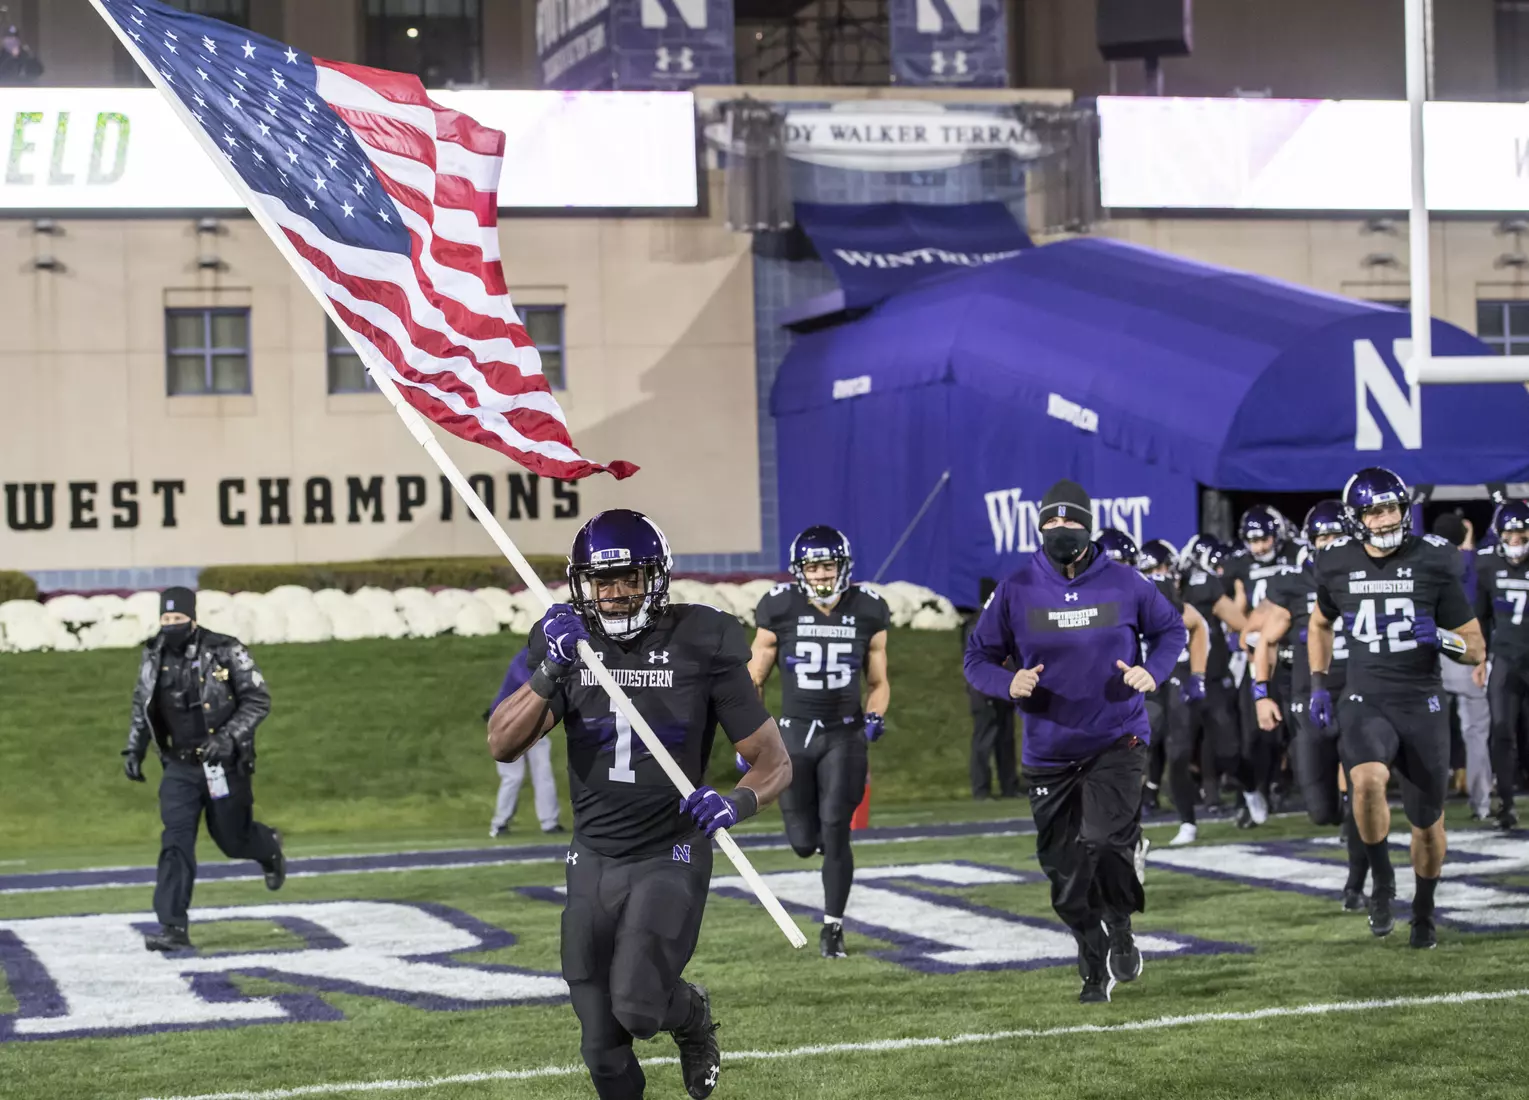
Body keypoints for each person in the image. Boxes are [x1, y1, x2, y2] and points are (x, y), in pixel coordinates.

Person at [487, 509, 791, 1100]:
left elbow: (774, 761)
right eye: (604, 581)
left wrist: (736, 804)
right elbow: (502, 743)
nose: (619, 594)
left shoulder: (701, 640)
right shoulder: (566, 643)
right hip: (594, 856)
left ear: (657, 578)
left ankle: (693, 1016)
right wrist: (552, 667)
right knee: (600, 1048)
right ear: (583, 585)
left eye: (631, 578)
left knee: (638, 1006)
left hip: (669, 850)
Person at [964, 480, 1188, 1004]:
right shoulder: (1016, 587)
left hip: (1117, 737)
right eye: (1051, 524)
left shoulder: (1126, 582)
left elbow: (1172, 630)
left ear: (1088, 526)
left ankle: (1116, 932)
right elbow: (977, 657)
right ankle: (1093, 946)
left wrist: (1151, 671)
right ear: (1039, 527)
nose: (1060, 532)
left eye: (1070, 523)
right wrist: (1007, 682)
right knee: (1065, 878)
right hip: (1048, 751)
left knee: (1106, 842)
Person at [1308, 468, 1485, 949]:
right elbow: (1320, 623)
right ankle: (1382, 880)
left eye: (1392, 508)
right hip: (1365, 697)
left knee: (1427, 825)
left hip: (1422, 703)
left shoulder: (1433, 561)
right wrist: (1320, 683)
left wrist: (1445, 638)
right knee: (1366, 780)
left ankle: (1424, 911)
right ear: (1356, 517)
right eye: (1375, 510)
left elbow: (1475, 647)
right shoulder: (1335, 562)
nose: (1386, 518)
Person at [749, 524, 891, 959]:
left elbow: (880, 680)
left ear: (843, 567)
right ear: (800, 571)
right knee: (802, 841)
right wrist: (753, 741)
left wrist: (875, 714)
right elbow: (753, 678)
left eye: (828, 565)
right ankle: (827, 856)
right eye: (814, 567)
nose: (823, 575)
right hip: (793, 734)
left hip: (843, 733)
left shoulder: (868, 609)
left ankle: (833, 926)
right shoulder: (778, 607)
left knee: (835, 826)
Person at [120, 587, 286, 952]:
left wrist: (227, 738)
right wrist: (135, 748)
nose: (171, 625)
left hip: (223, 764)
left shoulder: (226, 650)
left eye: (177, 619)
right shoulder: (153, 654)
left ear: (192, 620)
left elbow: (258, 700)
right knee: (176, 842)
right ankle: (173, 927)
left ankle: (267, 847)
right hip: (179, 766)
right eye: (165, 619)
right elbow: (141, 703)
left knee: (232, 839)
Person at [1252, 501, 1370, 911]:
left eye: (1337, 536)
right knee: (1319, 810)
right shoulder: (1297, 584)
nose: (1330, 544)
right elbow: (1263, 641)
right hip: (1309, 699)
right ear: (1312, 542)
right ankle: (1344, 823)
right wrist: (1261, 694)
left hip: (1360, 694)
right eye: (1323, 537)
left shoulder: (1371, 577)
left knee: (1362, 788)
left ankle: (1357, 884)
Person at [1222, 505, 1302, 828]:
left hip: (1294, 653)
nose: (1259, 547)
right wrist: (1244, 632)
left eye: (1264, 539)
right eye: (1253, 541)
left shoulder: (1296, 556)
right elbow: (1237, 606)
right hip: (1259, 656)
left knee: (1296, 727)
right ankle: (1253, 791)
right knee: (1253, 731)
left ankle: (1289, 783)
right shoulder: (1240, 565)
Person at [1136, 538, 1210, 846]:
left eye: (1162, 568)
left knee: (1178, 752)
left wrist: (1197, 674)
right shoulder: (1106, 597)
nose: (1158, 574)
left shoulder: (1159, 591)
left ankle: (1188, 821)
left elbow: (1197, 624)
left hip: (1173, 675)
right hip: (1142, 681)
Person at [1431, 512, 1492, 820]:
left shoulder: (1426, 561)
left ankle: (1430, 804)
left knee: (1429, 733)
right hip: (1466, 651)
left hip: (1433, 652)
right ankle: (1481, 803)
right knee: (1476, 731)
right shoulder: (1472, 563)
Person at [1476, 499, 1529, 831]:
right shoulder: (1486, 564)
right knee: (1501, 732)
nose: (1515, 540)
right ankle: (1506, 803)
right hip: (1506, 659)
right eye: (1508, 534)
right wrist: (1479, 657)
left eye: (1520, 533)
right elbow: (1479, 615)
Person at [1179, 536, 1240, 815]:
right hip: (1178, 674)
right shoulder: (1177, 587)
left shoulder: (1207, 587)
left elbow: (1240, 622)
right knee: (1178, 742)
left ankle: (1222, 790)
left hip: (1210, 674)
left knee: (1221, 737)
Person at [486, 647, 563, 837]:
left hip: (534, 720)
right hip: (507, 722)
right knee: (513, 776)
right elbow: (534, 686)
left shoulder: (552, 654)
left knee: (543, 771)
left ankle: (550, 823)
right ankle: (500, 823)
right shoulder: (527, 657)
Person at [964, 576, 1019, 801]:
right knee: (984, 740)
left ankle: (1009, 786)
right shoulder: (977, 624)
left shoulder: (999, 621)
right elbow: (976, 661)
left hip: (1004, 687)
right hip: (985, 690)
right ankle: (982, 789)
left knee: (1005, 739)